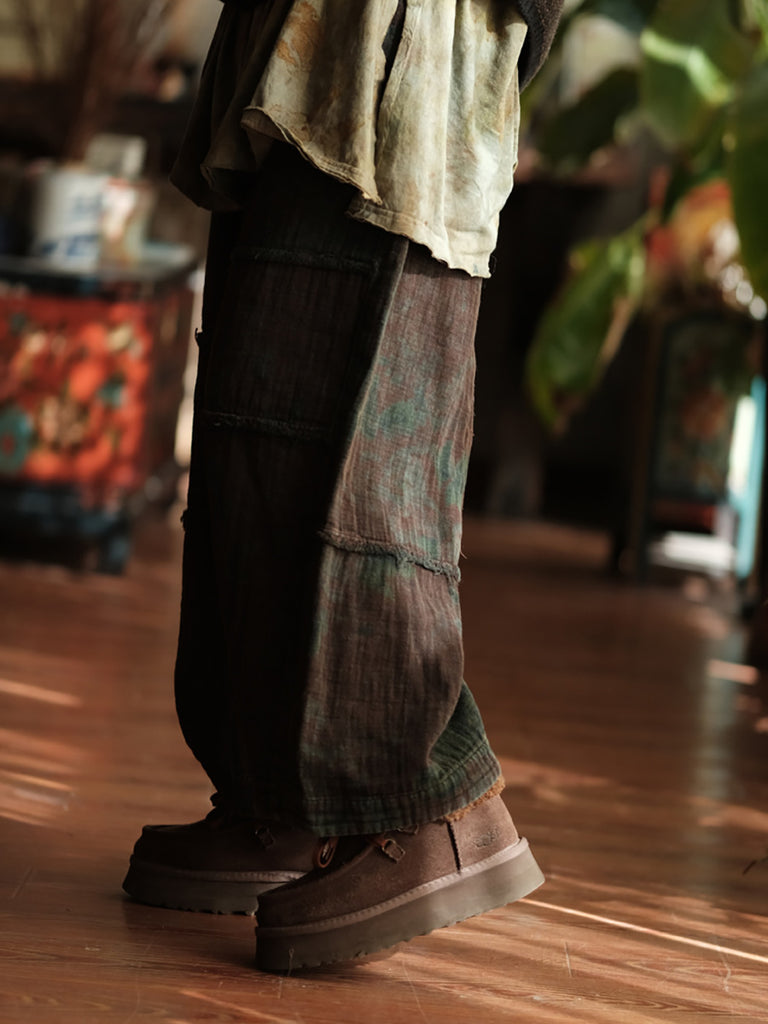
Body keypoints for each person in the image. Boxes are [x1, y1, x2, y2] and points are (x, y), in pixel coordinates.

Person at [123, 0, 564, 971]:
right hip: (299, 47)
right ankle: (288, 802)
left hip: (404, 52)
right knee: (252, 437)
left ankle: (425, 809)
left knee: (348, 453)